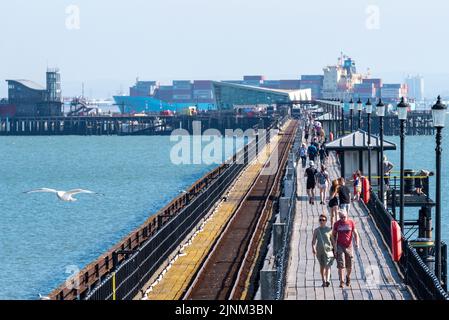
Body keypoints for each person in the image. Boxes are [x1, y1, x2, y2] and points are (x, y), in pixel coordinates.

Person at [332, 210, 360, 288]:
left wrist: (357, 243)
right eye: (341, 217)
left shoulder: (351, 223)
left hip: (349, 246)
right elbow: (333, 235)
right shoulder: (337, 224)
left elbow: (355, 234)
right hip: (339, 245)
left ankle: (348, 276)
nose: (343, 219)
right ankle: (342, 281)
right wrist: (334, 246)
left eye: (344, 217)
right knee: (341, 264)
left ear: (347, 216)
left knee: (349, 265)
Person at [312, 214, 335, 287]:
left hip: (328, 250)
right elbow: (313, 241)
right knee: (322, 266)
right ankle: (323, 280)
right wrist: (313, 248)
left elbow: (333, 241)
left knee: (328, 265)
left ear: (326, 221)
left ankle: (327, 280)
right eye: (320, 220)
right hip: (320, 251)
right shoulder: (316, 230)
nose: (321, 221)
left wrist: (335, 249)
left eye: (323, 220)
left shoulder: (329, 230)